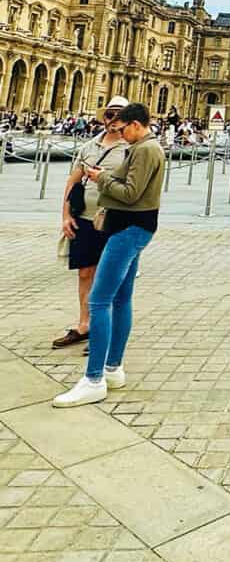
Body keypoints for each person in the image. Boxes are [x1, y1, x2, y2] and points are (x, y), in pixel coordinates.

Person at [53, 103, 165, 407]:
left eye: (123, 128)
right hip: (134, 228)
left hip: (127, 230)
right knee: (120, 299)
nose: (120, 134)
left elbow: (130, 193)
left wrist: (101, 177)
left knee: (99, 301)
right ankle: (113, 369)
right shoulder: (145, 146)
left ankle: (93, 379)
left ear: (136, 125)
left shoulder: (144, 149)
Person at [53, 97, 130, 350]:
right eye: (109, 115)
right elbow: (73, 183)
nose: (113, 121)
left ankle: (102, 329)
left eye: (119, 116)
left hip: (114, 220)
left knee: (110, 278)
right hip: (85, 218)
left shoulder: (132, 149)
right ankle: (84, 324)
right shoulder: (89, 146)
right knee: (85, 273)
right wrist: (66, 215)